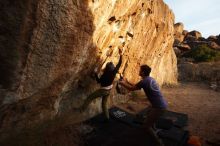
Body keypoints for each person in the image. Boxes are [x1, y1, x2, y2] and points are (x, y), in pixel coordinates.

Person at [119, 65, 167, 146]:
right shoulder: (149, 79)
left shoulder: (144, 82)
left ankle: (159, 143)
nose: (139, 71)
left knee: (146, 127)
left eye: (140, 70)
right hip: (160, 105)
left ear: (143, 72)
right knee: (149, 115)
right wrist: (126, 81)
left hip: (158, 108)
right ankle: (153, 128)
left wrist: (121, 83)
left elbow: (131, 89)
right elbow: (136, 85)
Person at [79, 48, 123, 121]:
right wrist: (121, 54)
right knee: (104, 104)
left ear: (106, 69)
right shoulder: (113, 72)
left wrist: (96, 73)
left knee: (90, 97)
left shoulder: (105, 75)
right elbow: (119, 63)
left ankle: (81, 110)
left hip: (103, 90)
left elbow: (98, 81)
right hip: (109, 90)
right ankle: (107, 118)